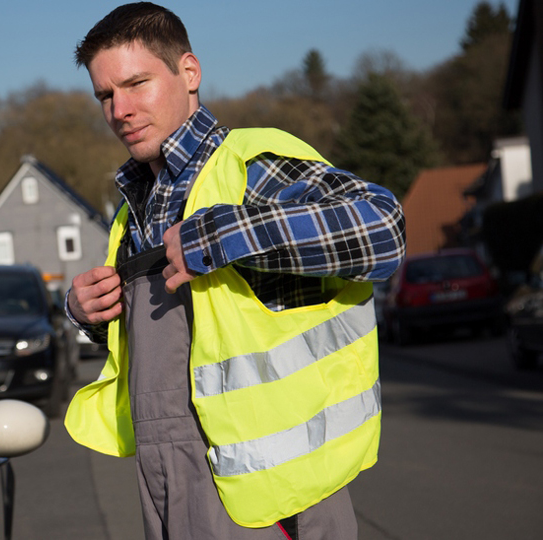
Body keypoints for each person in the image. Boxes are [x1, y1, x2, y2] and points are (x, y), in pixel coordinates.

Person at [62, 3, 405, 539]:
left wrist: (224, 234)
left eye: (136, 84)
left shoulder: (250, 166)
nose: (120, 110)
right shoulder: (131, 214)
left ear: (189, 72)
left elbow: (383, 228)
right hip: (169, 490)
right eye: (105, 95)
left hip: (274, 503)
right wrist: (91, 315)